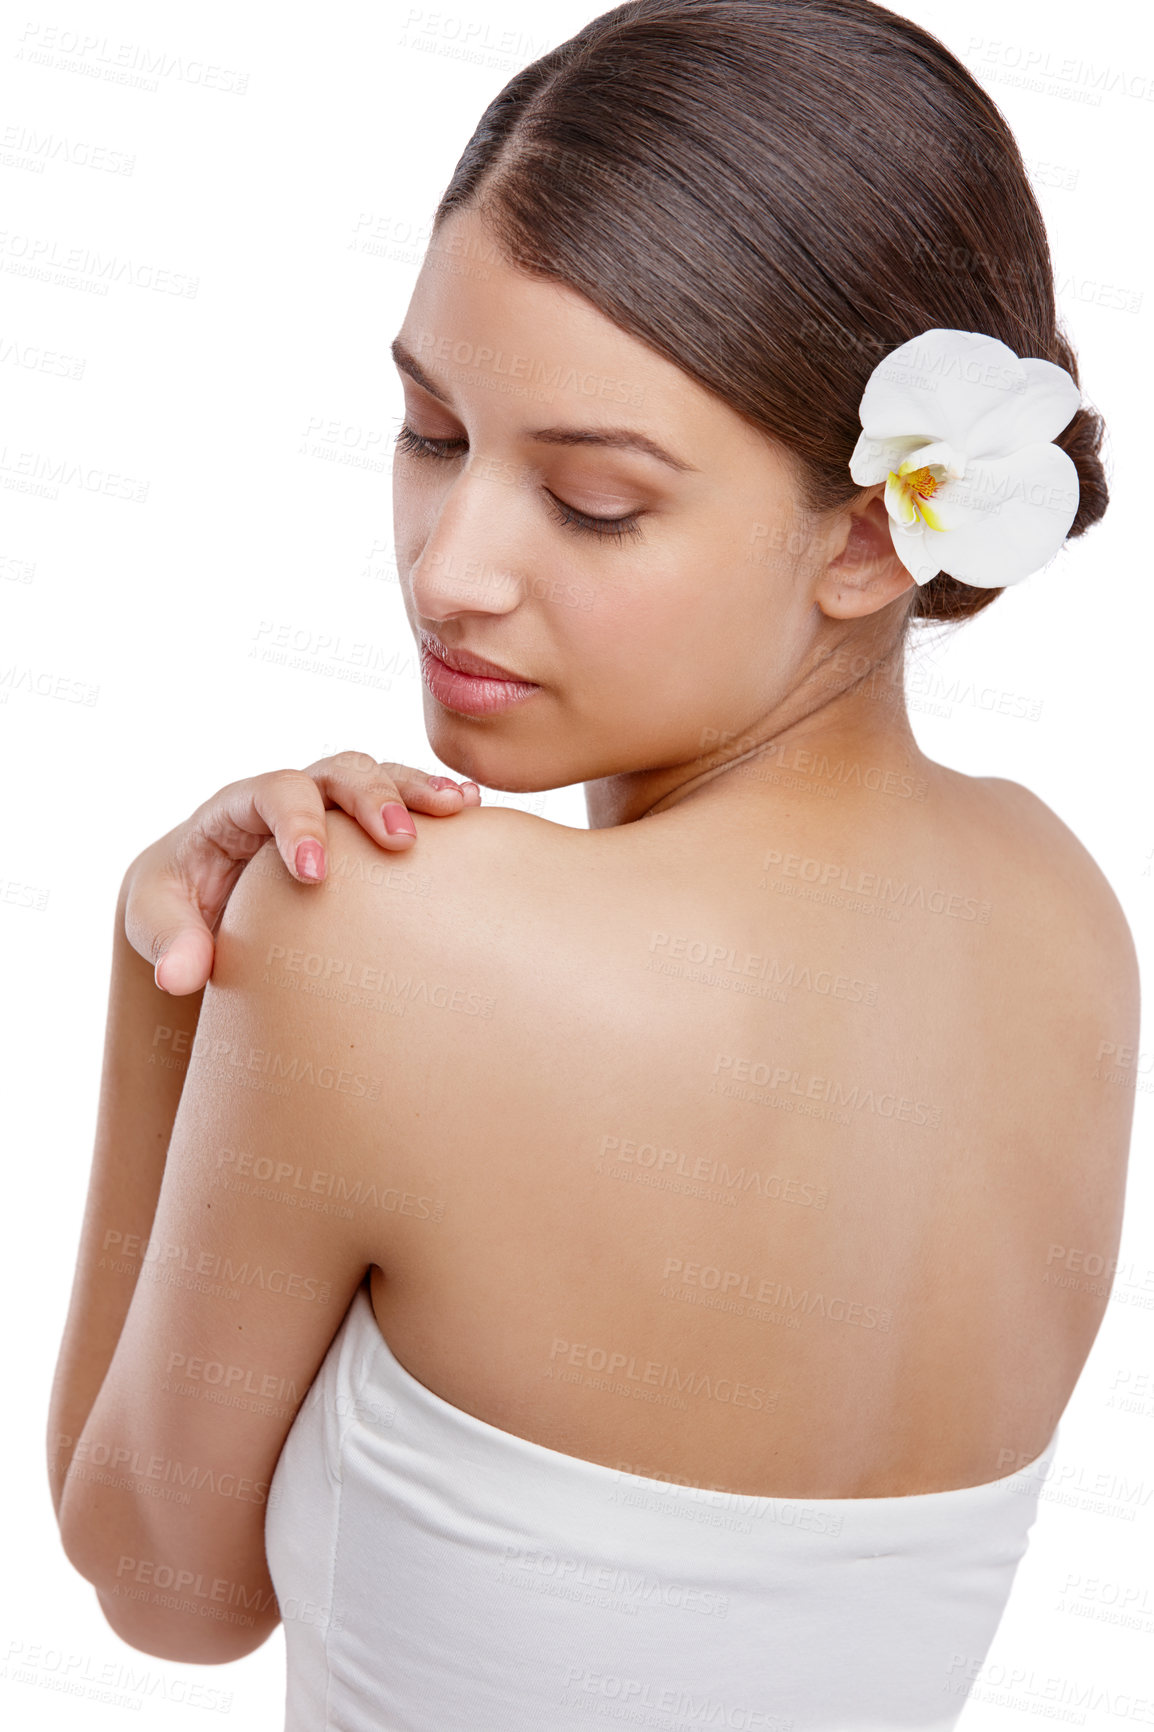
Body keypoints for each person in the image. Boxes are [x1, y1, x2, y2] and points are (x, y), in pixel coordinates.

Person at [48, 1, 1137, 1726]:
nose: (451, 568)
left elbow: (162, 1591)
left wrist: (172, 969)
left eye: (595, 501)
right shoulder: (1068, 911)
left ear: (870, 533)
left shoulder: (392, 933)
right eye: (429, 433)